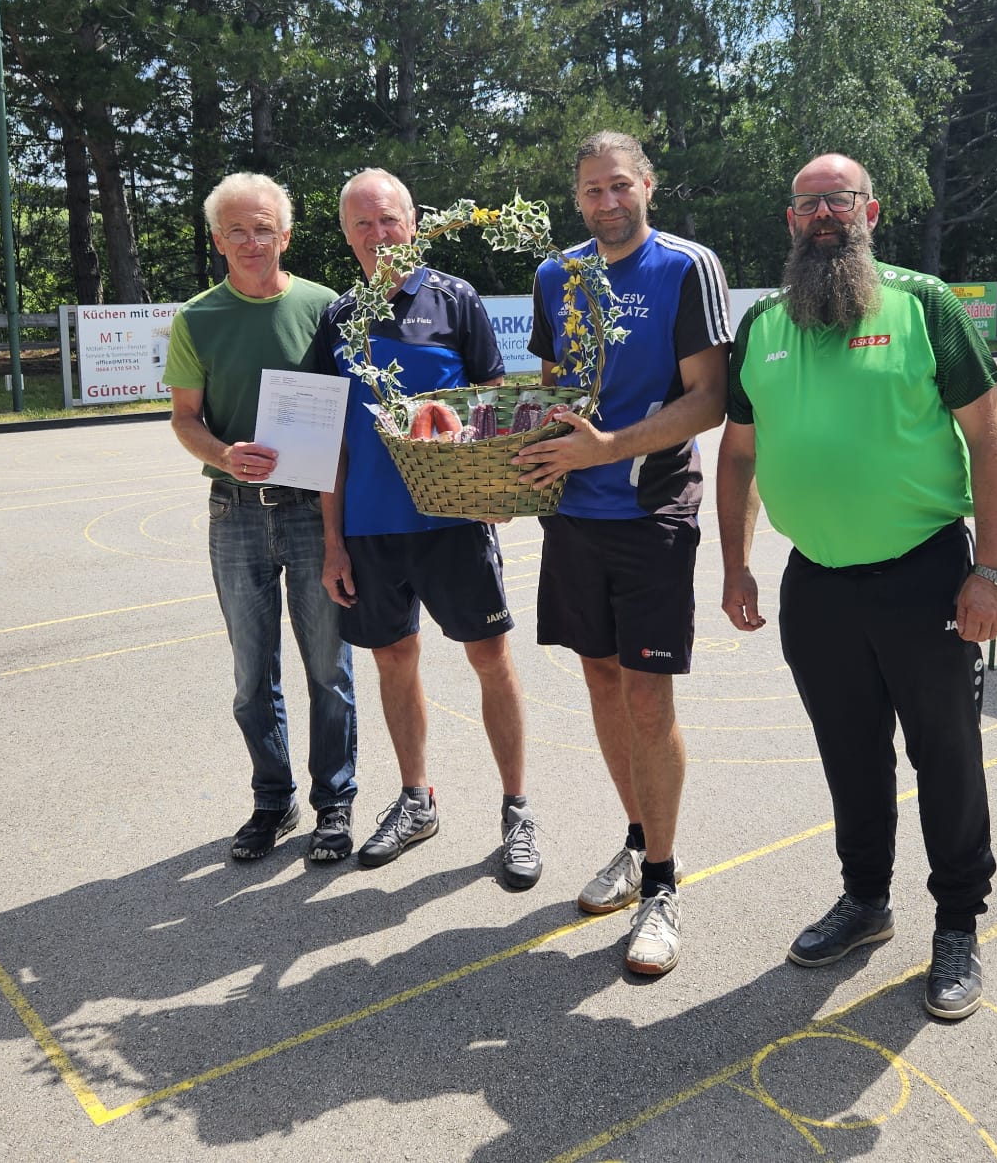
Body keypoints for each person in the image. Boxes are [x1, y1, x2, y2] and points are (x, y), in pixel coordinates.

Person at [715, 152, 997, 1022]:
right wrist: (736, 563)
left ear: (870, 212)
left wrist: (991, 571)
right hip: (817, 585)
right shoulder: (763, 324)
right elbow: (738, 454)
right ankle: (865, 900)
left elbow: (991, 436)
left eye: (838, 201)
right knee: (849, 754)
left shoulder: (925, 305)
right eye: (807, 204)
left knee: (945, 755)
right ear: (790, 221)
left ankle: (957, 922)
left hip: (926, 576)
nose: (823, 216)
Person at [513, 131, 731, 976]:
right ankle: (639, 842)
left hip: (650, 510)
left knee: (647, 696)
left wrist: (607, 449)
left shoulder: (685, 267)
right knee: (601, 679)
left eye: (619, 186)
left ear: (647, 184)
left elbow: (708, 401)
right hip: (572, 515)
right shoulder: (555, 275)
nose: (607, 202)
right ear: (576, 198)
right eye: (592, 190)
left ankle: (664, 887)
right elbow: (549, 390)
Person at [313, 169, 543, 889]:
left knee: (490, 659)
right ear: (346, 235)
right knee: (393, 660)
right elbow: (327, 441)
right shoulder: (338, 318)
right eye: (362, 223)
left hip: (453, 522)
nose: (378, 235)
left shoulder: (455, 299)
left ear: (413, 223)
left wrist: (495, 489)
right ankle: (417, 801)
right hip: (370, 529)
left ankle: (517, 811)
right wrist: (332, 542)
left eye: (389, 220)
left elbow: (494, 407)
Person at [166, 172, 357, 864]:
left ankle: (334, 802)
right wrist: (224, 452)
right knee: (252, 675)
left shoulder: (325, 308)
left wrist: (337, 538)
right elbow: (184, 419)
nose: (252, 242)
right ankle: (273, 801)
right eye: (237, 231)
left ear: (287, 235)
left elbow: (342, 431)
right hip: (235, 512)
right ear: (219, 241)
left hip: (311, 512)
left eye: (264, 229)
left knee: (329, 670)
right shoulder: (197, 318)